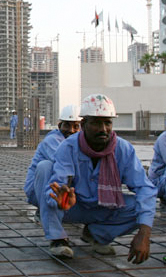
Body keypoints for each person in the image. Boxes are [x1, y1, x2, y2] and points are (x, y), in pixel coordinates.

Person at [40, 94, 156, 263]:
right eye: (96, 123)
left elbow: (145, 188)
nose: (103, 129)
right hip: (73, 208)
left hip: (104, 207)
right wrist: (61, 198)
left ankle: (96, 234)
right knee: (45, 171)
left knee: (142, 208)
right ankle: (57, 238)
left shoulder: (123, 149)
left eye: (107, 122)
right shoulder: (69, 147)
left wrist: (144, 234)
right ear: (84, 124)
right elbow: (59, 181)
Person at [23, 105, 81, 207]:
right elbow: (66, 163)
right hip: (37, 192)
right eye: (67, 125)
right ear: (59, 126)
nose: (71, 130)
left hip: (61, 191)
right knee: (46, 166)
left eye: (76, 126)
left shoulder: (77, 142)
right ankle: (44, 209)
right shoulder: (52, 141)